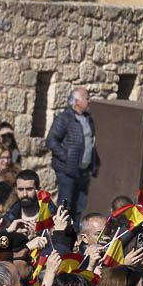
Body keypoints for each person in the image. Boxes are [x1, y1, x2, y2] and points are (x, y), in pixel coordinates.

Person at [47, 87, 101, 219]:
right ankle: (61, 231)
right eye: (87, 98)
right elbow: (51, 140)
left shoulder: (87, 118)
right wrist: (66, 157)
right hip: (67, 170)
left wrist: (93, 163)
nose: (89, 101)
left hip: (83, 170)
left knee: (80, 205)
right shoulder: (65, 117)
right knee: (66, 204)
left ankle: (75, 233)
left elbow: (90, 141)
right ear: (77, 101)